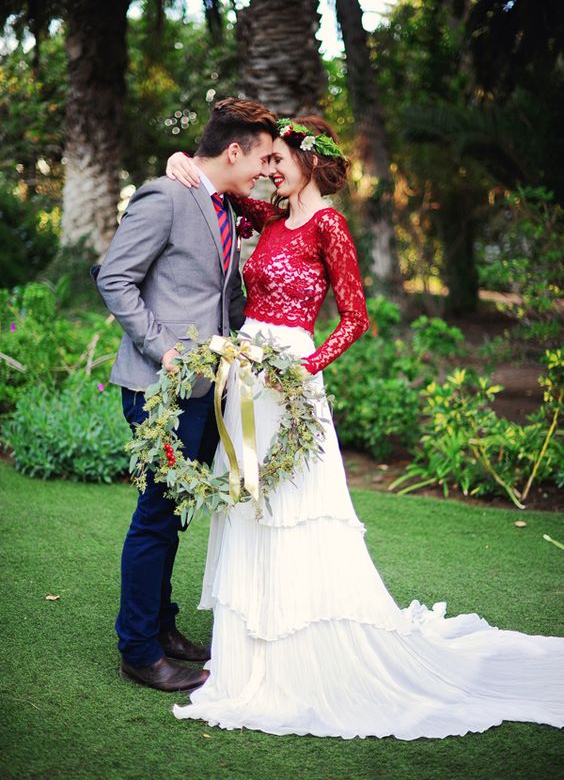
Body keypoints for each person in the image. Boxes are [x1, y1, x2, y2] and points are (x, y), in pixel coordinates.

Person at [163, 118, 564, 738]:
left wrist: (304, 367)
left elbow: (356, 317)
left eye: (278, 161)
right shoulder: (266, 218)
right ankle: (246, 654)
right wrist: (176, 159)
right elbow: (211, 183)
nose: (268, 170)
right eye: (265, 162)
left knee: (293, 505)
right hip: (246, 374)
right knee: (248, 501)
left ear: (307, 161)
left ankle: (300, 651)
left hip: (291, 380)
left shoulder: (331, 226)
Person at [95, 98, 277, 692]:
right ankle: (139, 651)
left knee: (175, 514)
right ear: (234, 150)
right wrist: (163, 348)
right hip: (158, 390)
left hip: (205, 390)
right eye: (261, 157)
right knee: (155, 517)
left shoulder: (220, 203)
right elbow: (114, 277)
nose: (263, 170)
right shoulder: (166, 195)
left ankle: (163, 626)